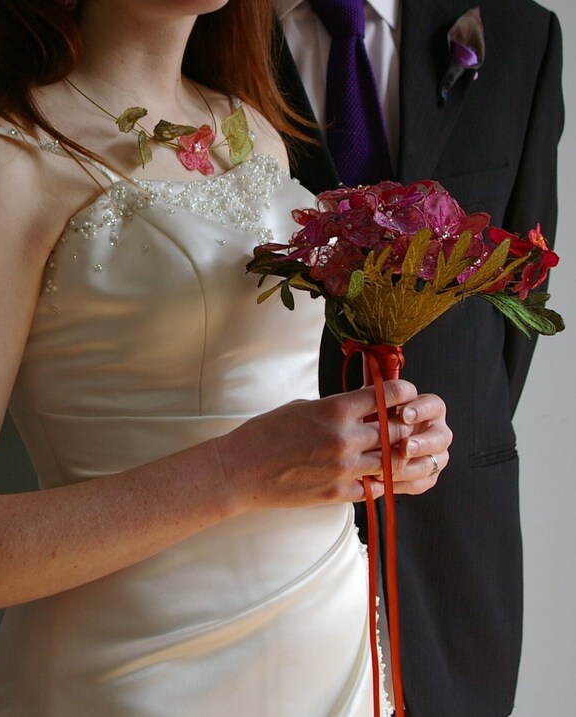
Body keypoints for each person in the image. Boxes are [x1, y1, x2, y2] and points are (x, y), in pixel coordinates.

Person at [0, 1, 453, 714]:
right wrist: (242, 468)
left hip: (327, 651)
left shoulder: (255, 138)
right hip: (134, 677)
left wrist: (379, 442)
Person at [274, 1, 564, 715]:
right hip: (269, 521)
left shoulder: (520, 32)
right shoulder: (210, 28)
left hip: (458, 524)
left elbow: (515, 291)